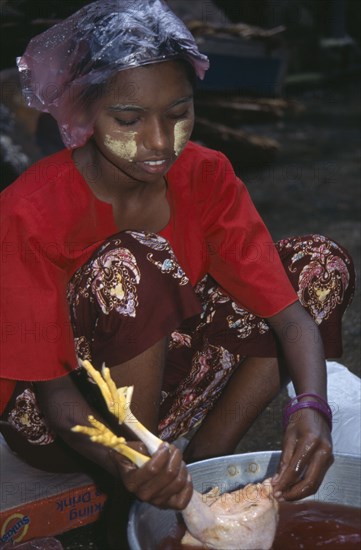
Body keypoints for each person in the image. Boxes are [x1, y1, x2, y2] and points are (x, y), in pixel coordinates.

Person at [0, 1, 355, 548]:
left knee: (317, 263)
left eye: (178, 113)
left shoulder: (205, 175)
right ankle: (136, 492)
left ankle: (201, 475)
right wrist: (126, 460)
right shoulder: (29, 211)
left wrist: (312, 408)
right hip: (63, 421)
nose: (161, 142)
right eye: (129, 120)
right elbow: (55, 400)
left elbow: (289, 315)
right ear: (84, 113)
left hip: (166, 383)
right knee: (136, 259)